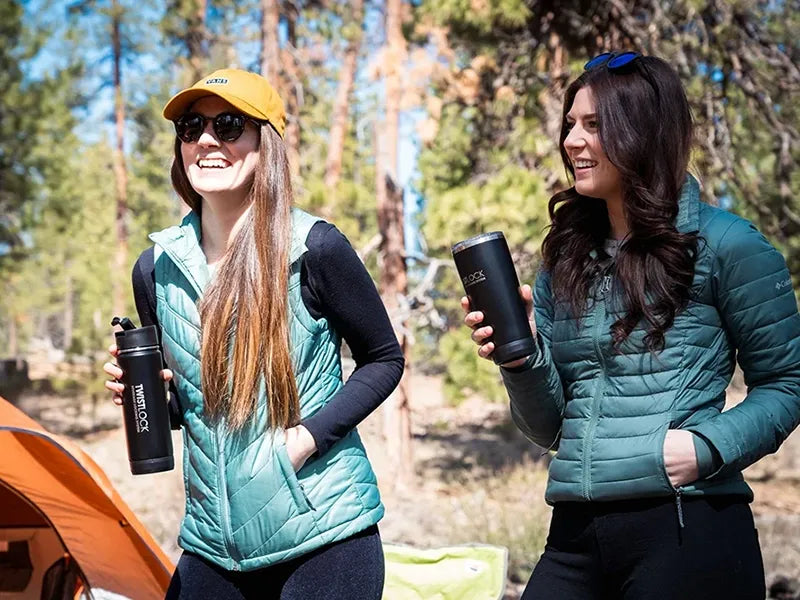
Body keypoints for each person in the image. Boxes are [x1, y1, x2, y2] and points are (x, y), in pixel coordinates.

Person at [463, 52, 800, 599]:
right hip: (574, 529)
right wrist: (521, 356)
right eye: (570, 124)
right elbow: (550, 427)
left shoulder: (728, 245)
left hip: (684, 523)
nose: (573, 141)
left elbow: (789, 382)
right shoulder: (565, 261)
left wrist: (706, 447)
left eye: (594, 125)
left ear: (644, 132)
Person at [103, 68, 404, 599]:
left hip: (323, 532)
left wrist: (303, 441)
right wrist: (143, 394)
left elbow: (383, 358)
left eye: (228, 124)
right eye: (191, 127)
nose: (206, 141)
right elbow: (188, 408)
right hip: (212, 543)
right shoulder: (155, 269)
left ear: (264, 144)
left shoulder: (314, 248)